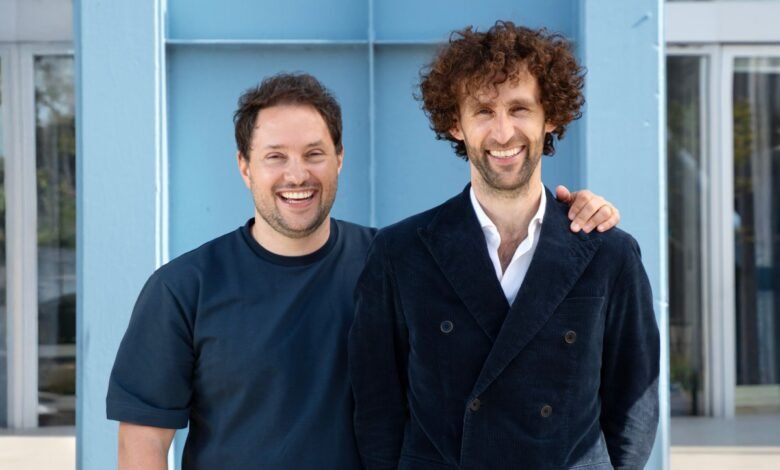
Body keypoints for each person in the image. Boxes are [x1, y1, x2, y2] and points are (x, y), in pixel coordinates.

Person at [106, 72, 620, 469]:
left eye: (314, 154)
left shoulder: (400, 262)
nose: (296, 174)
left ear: (340, 159)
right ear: (244, 166)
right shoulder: (183, 288)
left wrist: (568, 220)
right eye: (274, 157)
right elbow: (142, 445)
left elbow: (503, 350)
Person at [348, 21, 660, 470]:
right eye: (483, 111)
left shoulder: (609, 254)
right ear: (456, 125)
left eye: (519, 109)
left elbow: (634, 405)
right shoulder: (400, 253)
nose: (502, 132)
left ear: (549, 116)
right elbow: (377, 408)